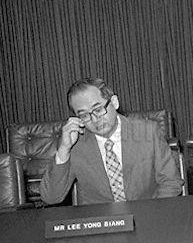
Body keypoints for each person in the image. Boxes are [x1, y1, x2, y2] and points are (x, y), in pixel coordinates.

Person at [40, 78, 183, 205]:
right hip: (99, 224)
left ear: (114, 102)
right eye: (84, 115)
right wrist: (64, 150)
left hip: (148, 215)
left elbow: (171, 182)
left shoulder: (148, 131)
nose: (95, 119)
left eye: (98, 109)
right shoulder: (75, 143)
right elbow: (52, 198)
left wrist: (151, 215)